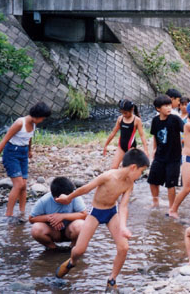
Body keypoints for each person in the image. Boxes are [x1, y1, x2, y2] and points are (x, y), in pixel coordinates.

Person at [54, 149, 150, 292]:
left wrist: (123, 226)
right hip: (96, 213)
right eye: (141, 171)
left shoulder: (129, 183)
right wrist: (68, 198)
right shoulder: (107, 176)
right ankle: (72, 262)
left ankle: (112, 280)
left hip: (112, 213)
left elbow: (123, 206)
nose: (140, 175)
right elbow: (86, 189)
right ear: (133, 167)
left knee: (124, 247)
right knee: (79, 250)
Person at [0, 101, 51, 218]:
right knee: (18, 184)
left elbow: (29, 138)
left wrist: (29, 150)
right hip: (11, 153)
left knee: (24, 185)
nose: (42, 120)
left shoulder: (33, 124)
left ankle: (22, 213)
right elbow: (4, 140)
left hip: (23, 154)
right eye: (42, 118)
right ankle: (8, 215)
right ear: (37, 116)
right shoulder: (20, 123)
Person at [148, 95, 185, 209]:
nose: (169, 108)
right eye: (165, 106)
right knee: (152, 180)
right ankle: (155, 202)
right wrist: (154, 150)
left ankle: (171, 207)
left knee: (170, 184)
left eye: (169, 105)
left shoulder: (175, 119)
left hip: (174, 157)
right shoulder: (155, 121)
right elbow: (155, 136)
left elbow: (186, 130)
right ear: (158, 109)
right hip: (159, 155)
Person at [29, 177, 87, 249]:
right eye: (67, 199)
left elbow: (84, 215)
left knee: (81, 225)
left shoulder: (74, 196)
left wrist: (62, 216)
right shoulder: (44, 200)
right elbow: (31, 219)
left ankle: (73, 248)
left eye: (70, 197)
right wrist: (50, 218)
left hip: (70, 231)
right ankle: (53, 249)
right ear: (56, 198)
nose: (70, 199)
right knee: (36, 229)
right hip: (53, 232)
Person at [102, 99, 148, 169]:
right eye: (122, 113)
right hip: (121, 146)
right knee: (113, 167)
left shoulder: (137, 120)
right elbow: (113, 132)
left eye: (125, 113)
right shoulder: (120, 119)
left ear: (132, 109)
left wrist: (146, 150)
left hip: (131, 148)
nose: (124, 115)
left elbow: (142, 135)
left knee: (127, 169)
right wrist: (106, 144)